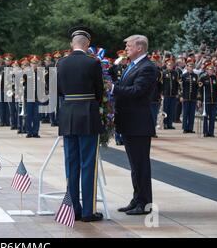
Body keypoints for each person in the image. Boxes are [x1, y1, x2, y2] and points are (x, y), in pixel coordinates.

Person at [57, 26, 104, 222]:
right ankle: (88, 212)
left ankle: (73, 208)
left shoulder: (61, 63)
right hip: (87, 115)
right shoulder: (93, 63)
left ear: (71, 44)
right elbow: (99, 93)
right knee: (88, 164)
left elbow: (59, 90)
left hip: (68, 114)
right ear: (88, 45)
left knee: (71, 163)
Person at [107, 35, 157, 215]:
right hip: (130, 122)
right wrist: (112, 78)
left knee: (141, 165)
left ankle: (144, 203)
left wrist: (112, 88)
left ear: (140, 48)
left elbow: (137, 91)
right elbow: (124, 85)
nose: (126, 49)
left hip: (139, 123)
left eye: (129, 46)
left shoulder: (147, 68)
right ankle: (137, 199)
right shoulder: (133, 65)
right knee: (135, 165)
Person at [198, 62, 217, 137]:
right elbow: (200, 90)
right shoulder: (203, 78)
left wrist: (216, 99)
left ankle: (211, 132)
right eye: (210, 69)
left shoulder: (214, 78)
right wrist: (199, 99)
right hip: (206, 100)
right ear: (206, 70)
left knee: (212, 117)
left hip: (214, 100)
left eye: (212, 69)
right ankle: (205, 132)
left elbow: (216, 89)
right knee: (205, 117)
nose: (211, 71)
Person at [25, 55, 41, 138]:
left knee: (37, 116)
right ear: (30, 64)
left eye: (36, 63)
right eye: (32, 63)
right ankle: (29, 131)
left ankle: (35, 132)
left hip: (38, 97)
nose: (34, 65)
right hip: (29, 97)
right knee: (28, 115)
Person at [180, 59, 198, 134]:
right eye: (189, 66)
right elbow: (181, 87)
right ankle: (185, 128)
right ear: (187, 67)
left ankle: (190, 128)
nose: (190, 67)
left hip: (193, 97)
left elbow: (197, 87)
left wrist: (198, 97)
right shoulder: (183, 76)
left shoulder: (196, 76)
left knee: (192, 113)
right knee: (185, 113)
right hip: (186, 97)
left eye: (192, 66)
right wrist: (181, 96)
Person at [162, 59, 179, 129]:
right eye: (169, 65)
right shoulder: (164, 73)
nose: (170, 66)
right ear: (166, 65)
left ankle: (170, 124)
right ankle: (165, 123)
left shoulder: (175, 73)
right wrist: (161, 93)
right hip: (166, 94)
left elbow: (177, 84)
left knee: (172, 110)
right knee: (165, 110)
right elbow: (162, 84)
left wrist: (177, 93)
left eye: (172, 65)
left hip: (173, 94)